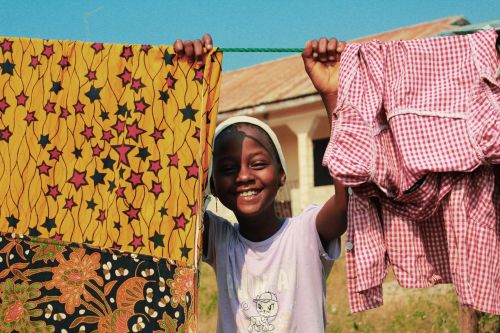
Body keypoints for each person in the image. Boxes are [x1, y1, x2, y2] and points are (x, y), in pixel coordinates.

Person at [174, 34, 347, 333]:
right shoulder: (219, 240)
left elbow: (345, 203)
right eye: (227, 168)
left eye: (257, 164)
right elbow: (171, 201)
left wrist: (332, 94)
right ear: (212, 185)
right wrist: (187, 87)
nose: (243, 176)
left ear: (281, 176)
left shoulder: (305, 233)